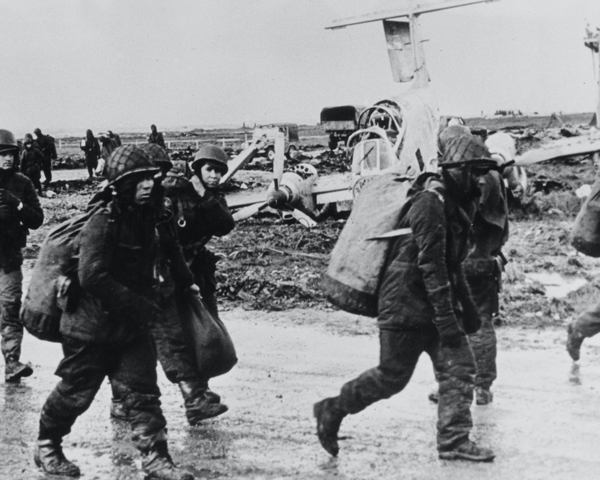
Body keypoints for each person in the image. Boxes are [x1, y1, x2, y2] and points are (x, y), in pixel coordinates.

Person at [313, 133, 497, 462]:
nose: (483, 180)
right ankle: (332, 409)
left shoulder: (458, 206)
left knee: (459, 367)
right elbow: (432, 267)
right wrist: (447, 319)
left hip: (431, 304)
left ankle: (454, 440)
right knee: (391, 377)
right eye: (477, 171)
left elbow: (454, 265)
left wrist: (467, 311)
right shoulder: (430, 204)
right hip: (404, 305)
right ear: (458, 170)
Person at [35, 145, 195, 479]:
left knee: (142, 393)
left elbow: (165, 255)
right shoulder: (103, 221)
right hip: (89, 328)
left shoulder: (147, 219)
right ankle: (47, 446)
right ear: (121, 186)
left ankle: (156, 459)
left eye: (150, 178)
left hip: (130, 327)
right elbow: (92, 276)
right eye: (138, 181)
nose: (147, 185)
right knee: (75, 393)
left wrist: (181, 284)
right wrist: (140, 306)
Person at [108, 143, 229, 425]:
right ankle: (123, 398)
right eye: (151, 175)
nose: (155, 181)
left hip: (176, 273)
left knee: (186, 335)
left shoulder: (168, 200)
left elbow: (178, 241)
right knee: (137, 343)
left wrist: (185, 280)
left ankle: (196, 394)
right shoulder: (143, 202)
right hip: (139, 282)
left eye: (159, 174)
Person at [429, 126, 509, 406]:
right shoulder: (494, 176)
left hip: (463, 262)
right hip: (486, 263)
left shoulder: (467, 180)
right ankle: (482, 387)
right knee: (482, 325)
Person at [0, 129, 44, 383]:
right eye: (2, 154)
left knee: (10, 309)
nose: (7, 159)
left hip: (9, 259)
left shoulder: (22, 183)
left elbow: (38, 220)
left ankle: (12, 362)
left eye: (11, 154)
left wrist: (17, 204)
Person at [187, 145, 235, 319]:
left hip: (199, 268)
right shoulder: (180, 194)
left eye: (219, 171)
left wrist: (203, 194)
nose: (214, 176)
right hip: (176, 266)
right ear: (198, 169)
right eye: (209, 169)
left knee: (210, 321)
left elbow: (225, 226)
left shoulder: (214, 197)